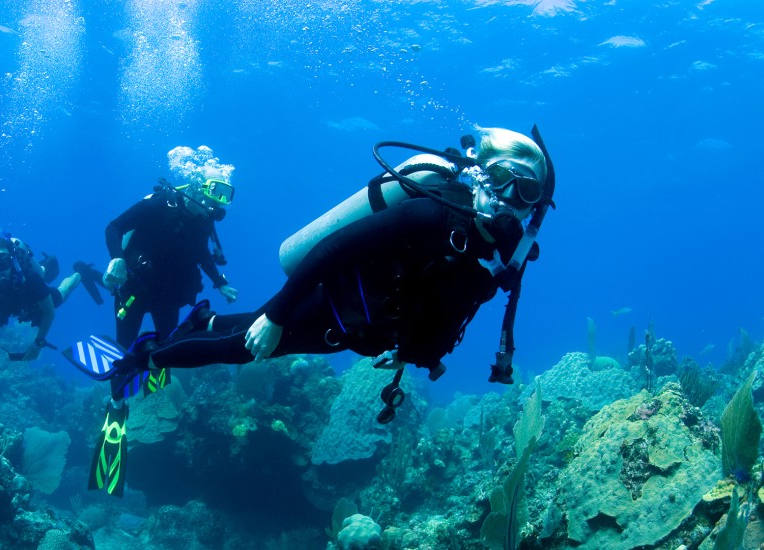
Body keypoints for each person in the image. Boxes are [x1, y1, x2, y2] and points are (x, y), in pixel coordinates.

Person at [72, 126, 554, 496]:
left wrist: (418, 351)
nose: (510, 198)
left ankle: (204, 321)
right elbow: (332, 249)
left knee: (242, 333)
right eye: (501, 180)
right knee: (244, 350)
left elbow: (452, 303)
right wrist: (278, 315)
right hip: (333, 306)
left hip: (357, 332)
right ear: (480, 175)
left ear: (537, 207)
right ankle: (144, 359)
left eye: (526, 191)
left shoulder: (505, 254)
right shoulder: (433, 215)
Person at [86, 174, 239, 496]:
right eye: (212, 198)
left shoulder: (201, 222)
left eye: (222, 201)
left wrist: (219, 281)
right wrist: (116, 257)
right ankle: (116, 403)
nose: (214, 208)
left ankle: (153, 387)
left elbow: (202, 253)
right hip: (136, 286)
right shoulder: (157, 205)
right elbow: (113, 227)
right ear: (198, 190)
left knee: (167, 345)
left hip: (170, 294)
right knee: (124, 348)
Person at [0, 236, 104, 361]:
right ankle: (44, 267)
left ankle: (80, 272)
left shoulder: (30, 278)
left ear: (13, 262)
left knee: (62, 294)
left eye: (5, 262)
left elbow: (49, 311)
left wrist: (38, 343)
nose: (1, 270)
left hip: (32, 300)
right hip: (9, 305)